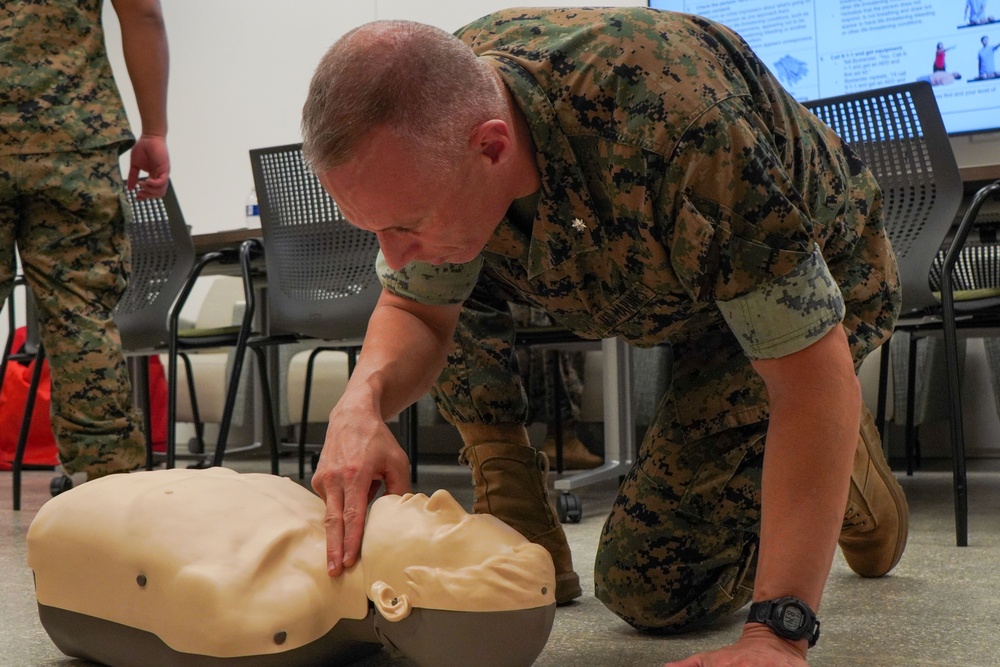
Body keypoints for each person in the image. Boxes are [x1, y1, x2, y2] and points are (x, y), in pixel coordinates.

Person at [300, 7, 907, 666]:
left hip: (816, 300)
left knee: (651, 588)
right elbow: (415, 309)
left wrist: (778, 632)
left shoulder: (681, 128)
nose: (394, 254)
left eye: (406, 223)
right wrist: (359, 403)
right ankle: (514, 504)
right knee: (447, 266)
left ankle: (844, 458)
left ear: (493, 147)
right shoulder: (443, 109)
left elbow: (808, 383)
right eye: (375, 229)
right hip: (667, 270)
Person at [26, 468, 556, 667]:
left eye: (449, 527)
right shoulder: (315, 541)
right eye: (463, 510)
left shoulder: (259, 610)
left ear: (393, 600)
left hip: (67, 534)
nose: (441, 498)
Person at [0, 0, 170, 483]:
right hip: (74, 133)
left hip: (73, 136)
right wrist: (154, 130)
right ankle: (107, 494)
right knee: (81, 317)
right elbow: (143, 13)